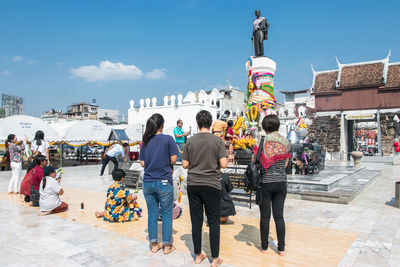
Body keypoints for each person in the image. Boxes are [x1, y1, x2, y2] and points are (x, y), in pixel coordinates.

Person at [182, 110, 228, 267]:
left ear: (197, 123)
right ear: (210, 123)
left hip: (194, 184)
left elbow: (185, 164)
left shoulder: (189, 141)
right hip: (212, 184)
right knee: (214, 221)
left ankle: (197, 255)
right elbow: (223, 164)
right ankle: (215, 259)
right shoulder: (217, 141)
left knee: (196, 221)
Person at [139, 113, 178, 254]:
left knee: (152, 214)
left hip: (148, 183)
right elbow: (174, 160)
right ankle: (167, 245)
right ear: (162, 124)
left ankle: (154, 244)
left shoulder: (145, 141)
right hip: (163, 182)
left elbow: (142, 163)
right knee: (167, 213)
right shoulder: (168, 139)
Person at [253, 114, 291, 256]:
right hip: (281, 183)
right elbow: (286, 163)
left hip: (266, 183)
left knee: (265, 216)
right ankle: (281, 249)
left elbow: (255, 160)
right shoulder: (285, 141)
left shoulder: (262, 141)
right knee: (279, 216)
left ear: (264, 127)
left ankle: (264, 247)